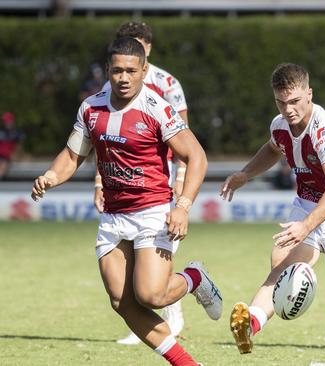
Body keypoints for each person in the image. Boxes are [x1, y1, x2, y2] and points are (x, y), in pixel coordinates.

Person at [31, 37, 221, 366]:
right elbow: (73, 154)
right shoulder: (91, 107)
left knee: (150, 295)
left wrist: (184, 206)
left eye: (131, 71)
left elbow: (197, 157)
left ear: (144, 71)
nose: (123, 77)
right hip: (114, 217)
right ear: (107, 70)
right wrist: (51, 175)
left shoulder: (157, 108)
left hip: (153, 213)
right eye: (117, 70)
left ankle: (195, 278)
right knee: (122, 301)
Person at [221, 63, 325, 366]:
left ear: (309, 94)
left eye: (295, 101)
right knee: (281, 263)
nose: (288, 109)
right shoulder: (279, 124)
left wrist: (306, 226)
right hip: (305, 205)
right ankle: (251, 323)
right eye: (281, 102)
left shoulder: (324, 127)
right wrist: (245, 174)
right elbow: (273, 149)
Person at [94, 21, 191, 345]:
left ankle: (172, 311)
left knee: (152, 280)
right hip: (121, 191)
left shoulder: (167, 84)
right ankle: (154, 320)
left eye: (137, 46)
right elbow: (103, 138)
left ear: (147, 50)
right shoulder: (111, 86)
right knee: (132, 283)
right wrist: (99, 182)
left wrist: (180, 183)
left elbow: (185, 140)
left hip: (157, 185)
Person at [0, 112, 23, 180]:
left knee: (3, 166)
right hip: (1, 156)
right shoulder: (1, 131)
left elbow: (18, 148)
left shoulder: (16, 133)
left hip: (6, 157)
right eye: (5, 121)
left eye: (8, 121)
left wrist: (16, 156)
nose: (6, 123)